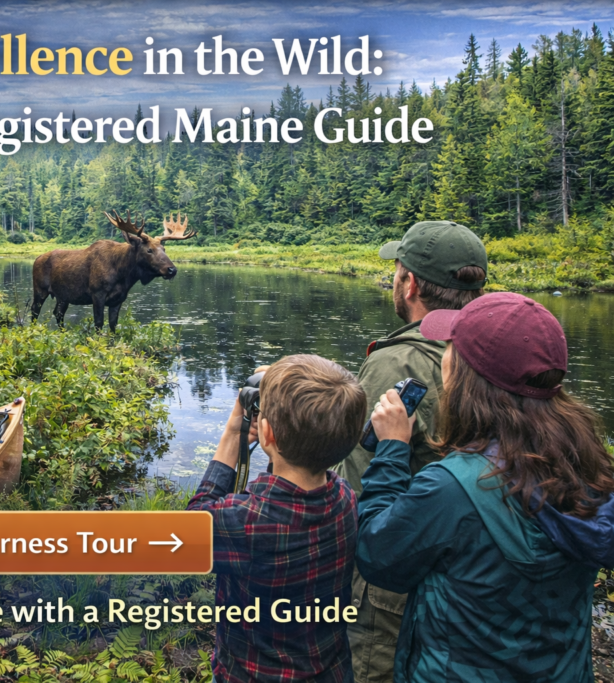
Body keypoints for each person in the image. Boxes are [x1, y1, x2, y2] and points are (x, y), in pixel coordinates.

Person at [356, 292, 614, 682]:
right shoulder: (587, 463)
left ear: (466, 373)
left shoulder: (453, 488)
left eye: (449, 348)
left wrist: (392, 449)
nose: (442, 354)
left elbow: (378, 555)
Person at [333, 221, 487, 683]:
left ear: (410, 282)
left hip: (393, 570)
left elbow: (359, 480)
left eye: (397, 271)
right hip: (471, 568)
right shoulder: (496, 351)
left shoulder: (397, 361)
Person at [188, 355, 367, 682]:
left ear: (267, 434)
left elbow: (190, 531)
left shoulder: (244, 522)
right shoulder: (345, 498)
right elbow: (298, 466)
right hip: (331, 671)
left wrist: (233, 432)